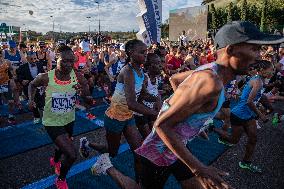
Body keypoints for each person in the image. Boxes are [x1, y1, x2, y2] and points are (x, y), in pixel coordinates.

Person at [134, 21, 283, 189]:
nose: (259, 56)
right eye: (254, 49)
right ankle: (108, 168)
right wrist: (199, 169)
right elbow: (162, 125)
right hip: (158, 154)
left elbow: (175, 79)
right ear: (230, 50)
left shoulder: (211, 69)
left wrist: (191, 118)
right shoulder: (211, 81)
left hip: (176, 148)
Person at [79, 39, 159, 184]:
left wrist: (162, 101)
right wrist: (155, 113)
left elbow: (141, 95)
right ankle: (87, 144)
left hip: (128, 117)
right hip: (114, 117)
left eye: (146, 52)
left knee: (138, 153)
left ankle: (139, 183)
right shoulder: (127, 71)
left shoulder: (140, 71)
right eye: (142, 52)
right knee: (112, 152)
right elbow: (131, 102)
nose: (145, 55)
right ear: (130, 53)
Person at [28, 45, 92, 189]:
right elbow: (32, 85)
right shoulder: (45, 77)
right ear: (56, 59)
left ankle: (55, 160)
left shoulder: (78, 77)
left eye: (71, 61)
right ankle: (61, 179)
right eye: (64, 61)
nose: (68, 65)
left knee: (62, 146)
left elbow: (88, 98)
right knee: (72, 154)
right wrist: (30, 100)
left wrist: (85, 96)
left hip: (69, 120)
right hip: (52, 121)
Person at [215, 60, 274, 173]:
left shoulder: (260, 80)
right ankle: (213, 129)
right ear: (262, 70)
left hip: (248, 116)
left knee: (253, 138)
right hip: (238, 114)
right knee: (233, 140)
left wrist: (269, 106)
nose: (273, 71)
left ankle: (246, 162)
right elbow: (249, 102)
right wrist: (261, 115)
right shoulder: (257, 82)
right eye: (271, 69)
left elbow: (260, 96)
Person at [17, 51, 45, 124]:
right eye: (31, 59)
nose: (33, 60)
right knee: (33, 103)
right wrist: (22, 80)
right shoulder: (22, 67)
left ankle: (44, 117)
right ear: (27, 59)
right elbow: (19, 76)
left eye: (34, 58)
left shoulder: (39, 65)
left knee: (42, 103)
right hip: (29, 88)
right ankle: (36, 116)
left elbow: (43, 74)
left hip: (39, 87)